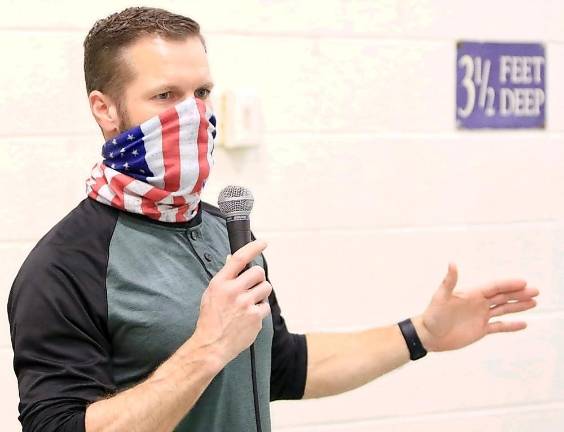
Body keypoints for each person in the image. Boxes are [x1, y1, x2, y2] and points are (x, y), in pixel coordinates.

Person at [6, 6, 540, 432]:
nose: (193, 115)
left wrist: (421, 333)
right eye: (165, 96)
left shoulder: (224, 229)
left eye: (202, 93)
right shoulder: (61, 267)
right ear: (105, 109)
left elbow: (279, 366)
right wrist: (208, 347)